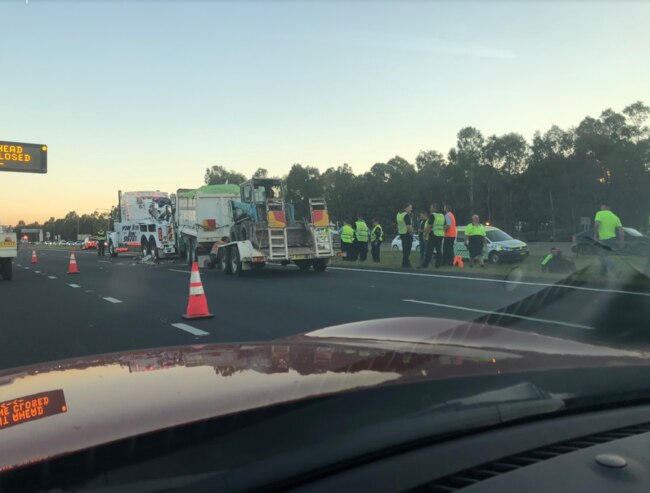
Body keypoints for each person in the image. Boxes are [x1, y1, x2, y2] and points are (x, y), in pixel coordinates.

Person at [594, 201, 624, 277]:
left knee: (602, 257)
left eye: (602, 206)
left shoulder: (600, 213)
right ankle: (603, 274)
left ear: (605, 207)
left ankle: (616, 271)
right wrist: (621, 241)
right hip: (612, 239)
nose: (600, 208)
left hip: (603, 239)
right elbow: (621, 230)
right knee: (605, 256)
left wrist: (596, 236)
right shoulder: (615, 217)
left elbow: (597, 225)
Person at [420, 203, 445, 268]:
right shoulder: (442, 215)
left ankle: (425, 265)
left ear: (434, 208)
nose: (430, 209)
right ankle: (437, 265)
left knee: (429, 250)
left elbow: (429, 226)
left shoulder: (433, 215)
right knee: (438, 250)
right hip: (440, 234)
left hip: (434, 234)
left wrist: (425, 234)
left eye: (431, 207)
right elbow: (444, 226)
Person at [396, 203, 414, 268]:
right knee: (408, 250)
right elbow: (408, 226)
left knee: (404, 249)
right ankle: (406, 263)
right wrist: (412, 233)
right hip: (407, 233)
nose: (411, 209)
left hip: (401, 233)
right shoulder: (406, 215)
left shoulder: (398, 214)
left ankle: (405, 262)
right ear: (406, 208)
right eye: (410, 207)